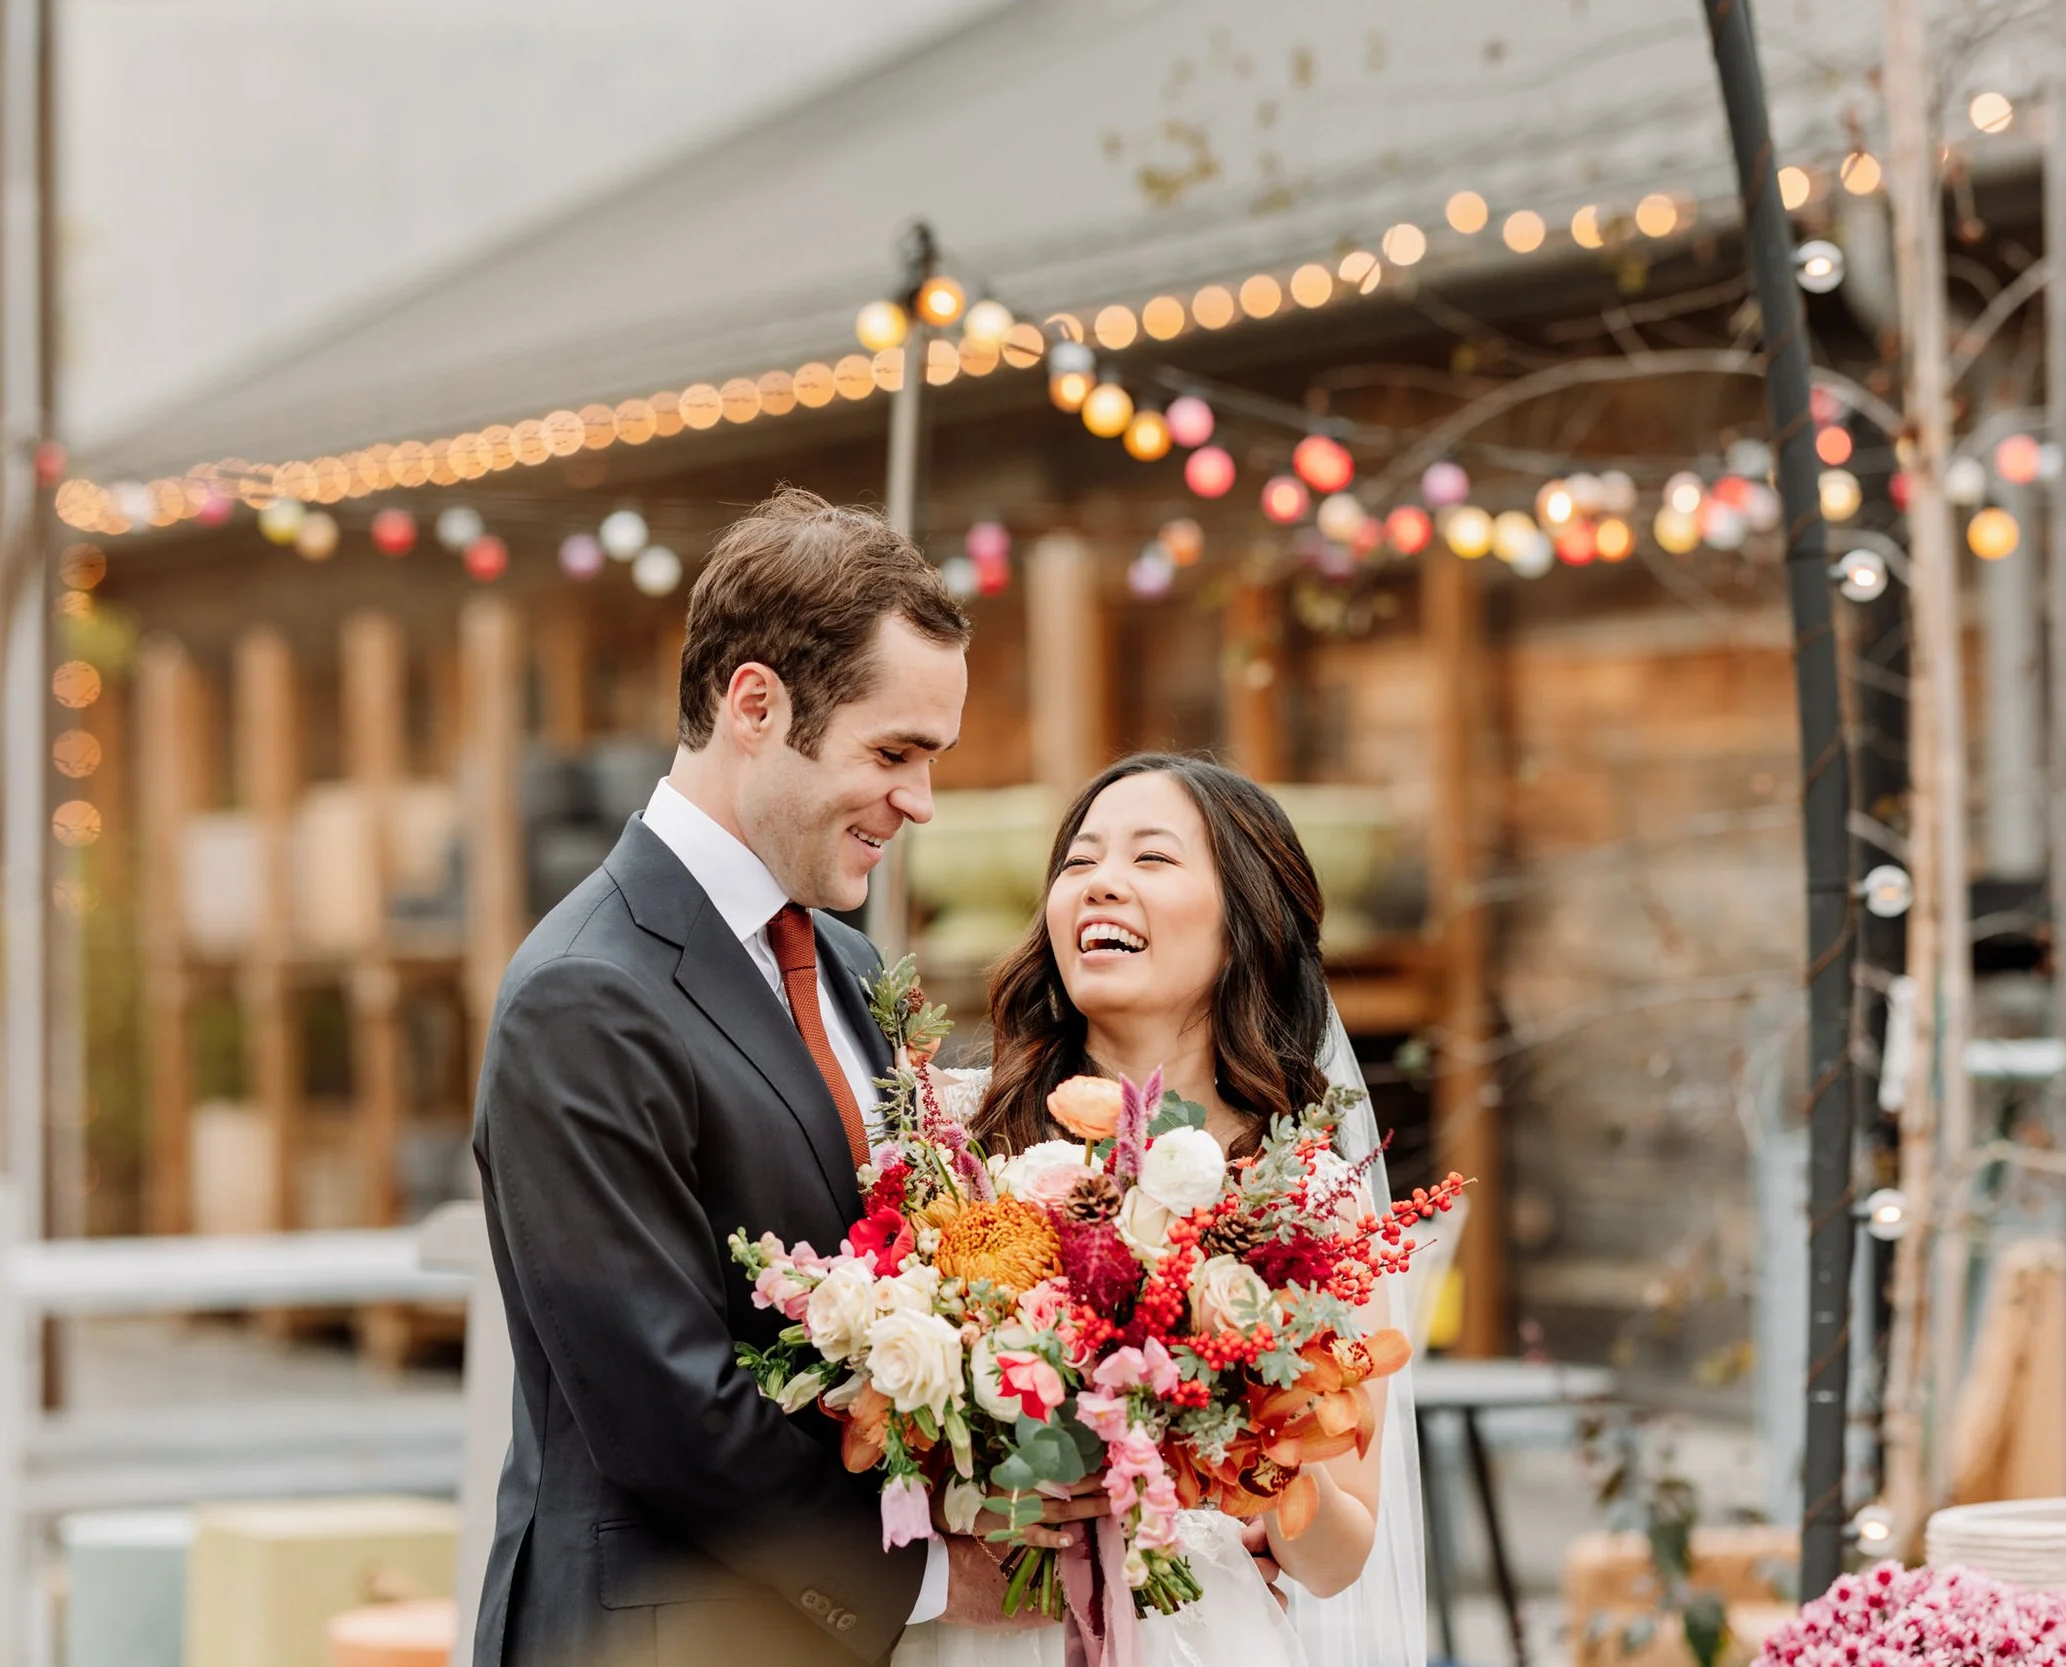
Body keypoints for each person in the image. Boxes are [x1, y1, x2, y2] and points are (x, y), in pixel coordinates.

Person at [470, 488, 1099, 1667]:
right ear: (755, 704)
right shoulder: (583, 993)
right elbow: (665, 1403)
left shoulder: (848, 963)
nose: (919, 799)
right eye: (893, 751)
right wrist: (927, 1572)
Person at [897, 753, 1427, 1667]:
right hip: (984, 1632)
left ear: (1245, 922)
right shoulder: (954, 1143)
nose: (1101, 882)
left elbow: (1339, 1558)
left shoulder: (1306, 1203)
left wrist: (1255, 1422)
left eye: (1151, 859)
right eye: (1078, 862)